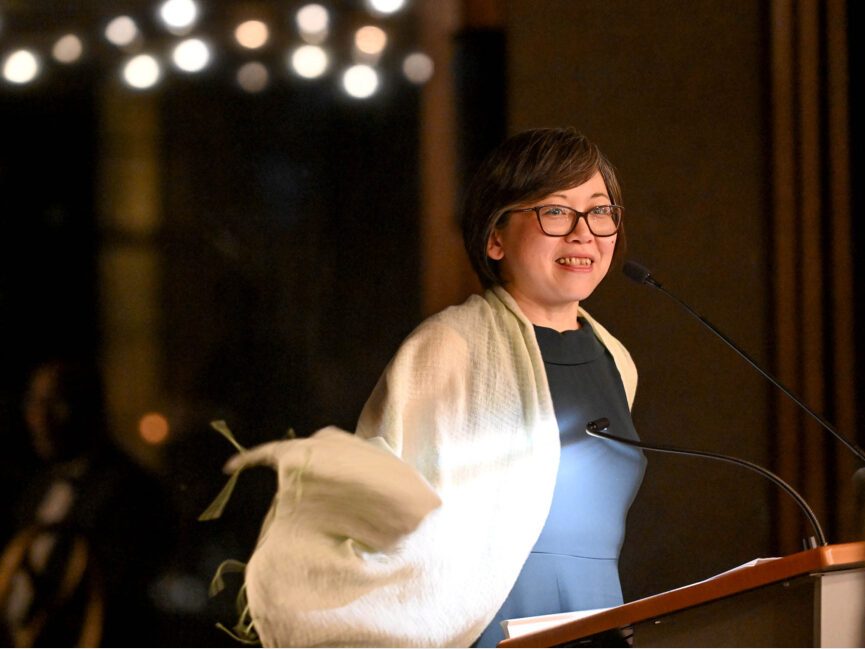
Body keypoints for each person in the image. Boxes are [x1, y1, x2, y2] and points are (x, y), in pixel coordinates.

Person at [216, 127, 646, 647]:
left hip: (599, 613)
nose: (584, 233)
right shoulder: (449, 345)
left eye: (600, 211)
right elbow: (382, 508)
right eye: (555, 211)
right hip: (488, 621)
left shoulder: (615, 359)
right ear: (495, 237)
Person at [0, 358, 174, 647]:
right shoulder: (38, 488)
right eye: (34, 403)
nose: (40, 418)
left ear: (90, 408)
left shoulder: (133, 490)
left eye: (56, 403)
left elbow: (112, 601)